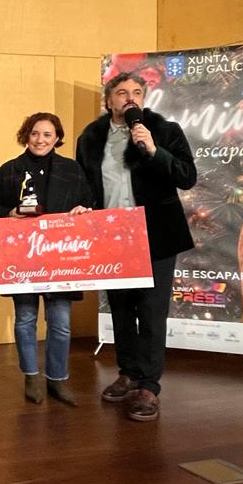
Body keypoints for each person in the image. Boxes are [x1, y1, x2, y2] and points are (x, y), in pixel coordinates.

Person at [76, 72, 197, 421]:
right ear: (108, 100)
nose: (130, 97)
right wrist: (82, 207)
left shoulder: (164, 130)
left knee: (152, 311)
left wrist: (155, 150)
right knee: (122, 309)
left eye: (137, 92)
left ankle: (149, 385)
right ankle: (128, 372)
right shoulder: (90, 137)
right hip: (112, 236)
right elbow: (84, 184)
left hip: (156, 234)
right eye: (122, 92)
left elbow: (186, 177)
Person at [0, 112, 93, 405]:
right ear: (26, 136)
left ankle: (57, 379)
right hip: (23, 258)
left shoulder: (72, 169)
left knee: (61, 323)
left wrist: (83, 210)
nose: (40, 140)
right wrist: (10, 213)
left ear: (57, 138)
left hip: (61, 259)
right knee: (25, 320)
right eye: (35, 133)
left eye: (47, 134)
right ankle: (31, 377)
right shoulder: (10, 170)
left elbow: (88, 202)